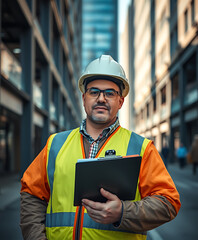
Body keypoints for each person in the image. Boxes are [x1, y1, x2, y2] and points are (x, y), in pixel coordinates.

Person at [20, 55, 181, 240]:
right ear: (84, 98)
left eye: (110, 93)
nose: (101, 98)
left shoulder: (142, 148)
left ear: (120, 102)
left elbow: (168, 202)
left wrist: (123, 212)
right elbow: (31, 194)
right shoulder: (55, 144)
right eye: (94, 91)